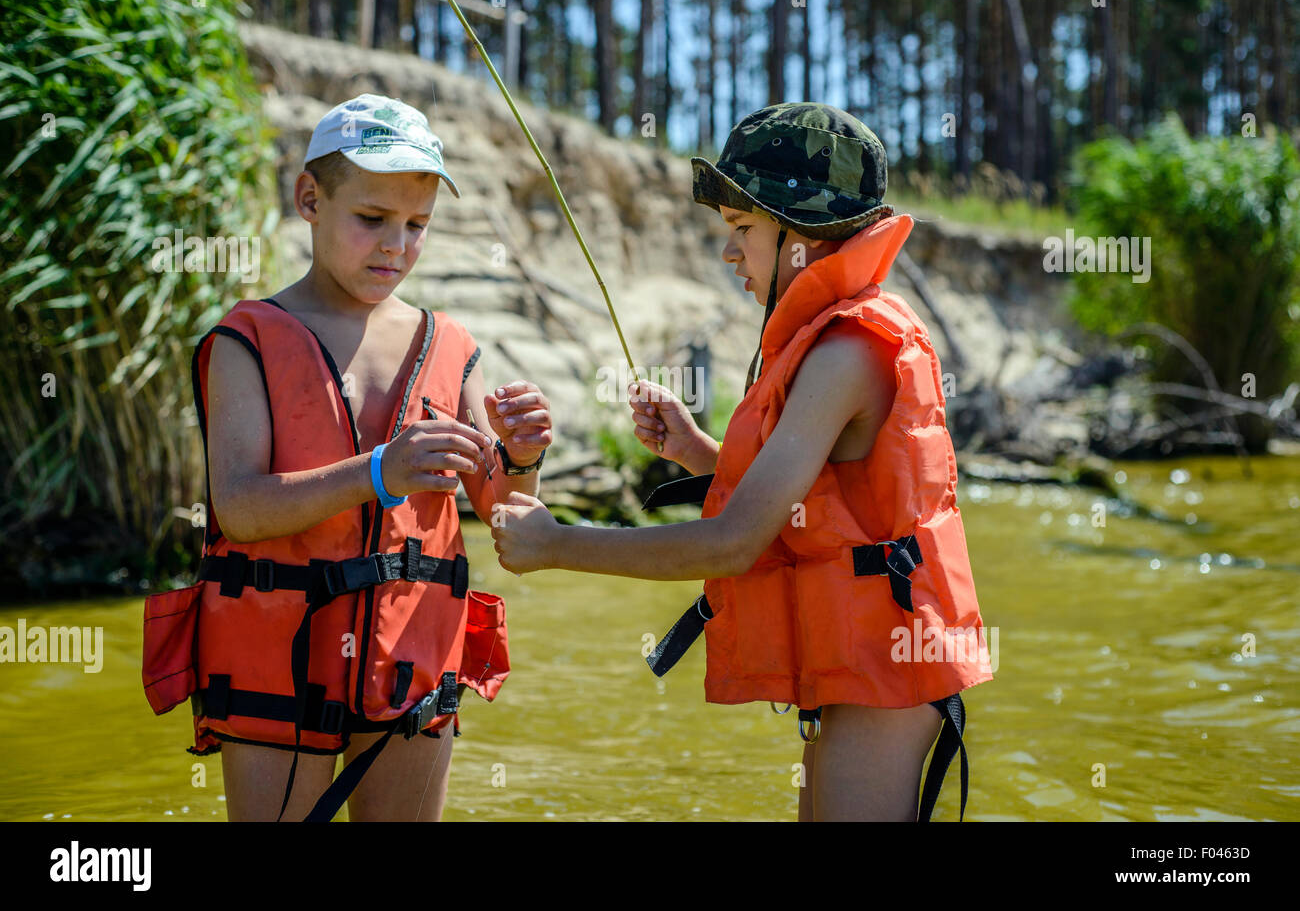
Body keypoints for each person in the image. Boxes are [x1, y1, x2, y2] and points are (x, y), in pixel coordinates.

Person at [490, 103, 993, 821]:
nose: (729, 255)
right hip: (862, 672)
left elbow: (734, 543)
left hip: (889, 678)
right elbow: (816, 499)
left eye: (741, 230)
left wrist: (556, 542)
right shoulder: (833, 343)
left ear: (803, 237)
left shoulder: (847, 354)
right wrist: (695, 449)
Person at [190, 94, 552, 821]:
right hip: (281, 664)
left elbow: (509, 521)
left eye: (418, 225)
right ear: (309, 200)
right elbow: (239, 505)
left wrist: (523, 455)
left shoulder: (454, 346)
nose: (396, 245)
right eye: (372, 219)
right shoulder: (246, 340)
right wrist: (379, 471)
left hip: (411, 670)